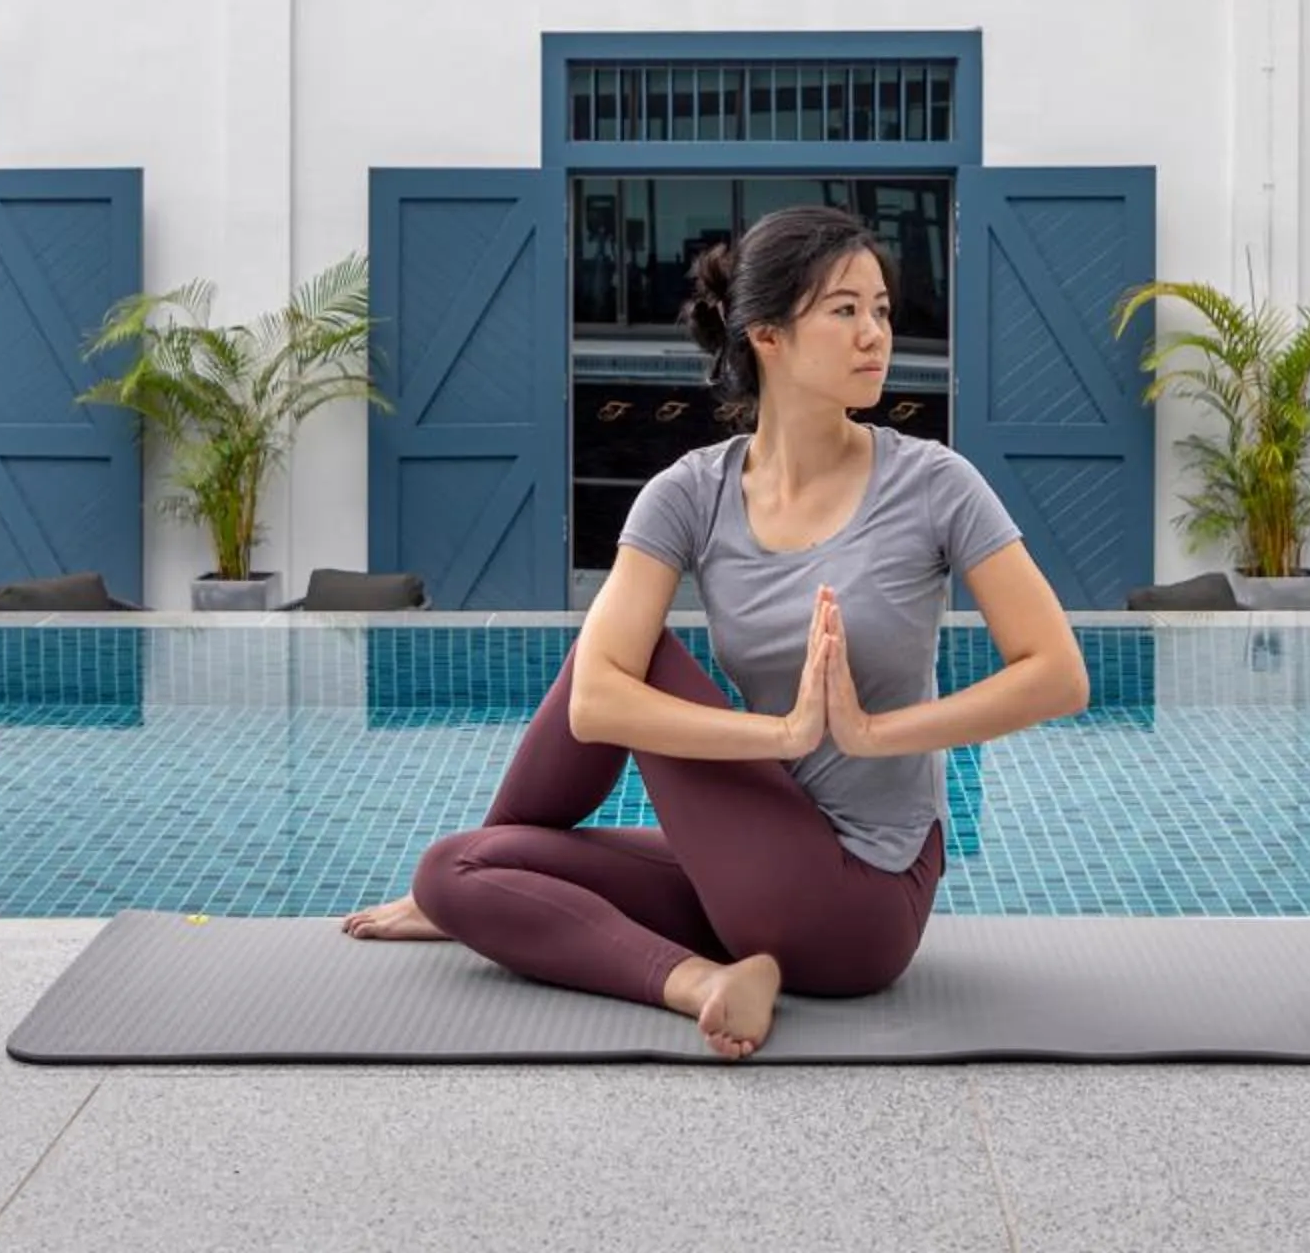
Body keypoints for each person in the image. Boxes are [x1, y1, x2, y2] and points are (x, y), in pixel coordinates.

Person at [340, 202, 1091, 1060]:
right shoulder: (690, 492)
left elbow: (1059, 673)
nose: (875, 334)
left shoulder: (935, 485)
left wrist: (876, 732)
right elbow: (593, 705)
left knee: (627, 660)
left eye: (880, 309)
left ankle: (639, 943)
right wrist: (780, 734)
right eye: (844, 310)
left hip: (865, 900)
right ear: (767, 335)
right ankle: (700, 978)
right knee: (456, 867)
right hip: (751, 865)